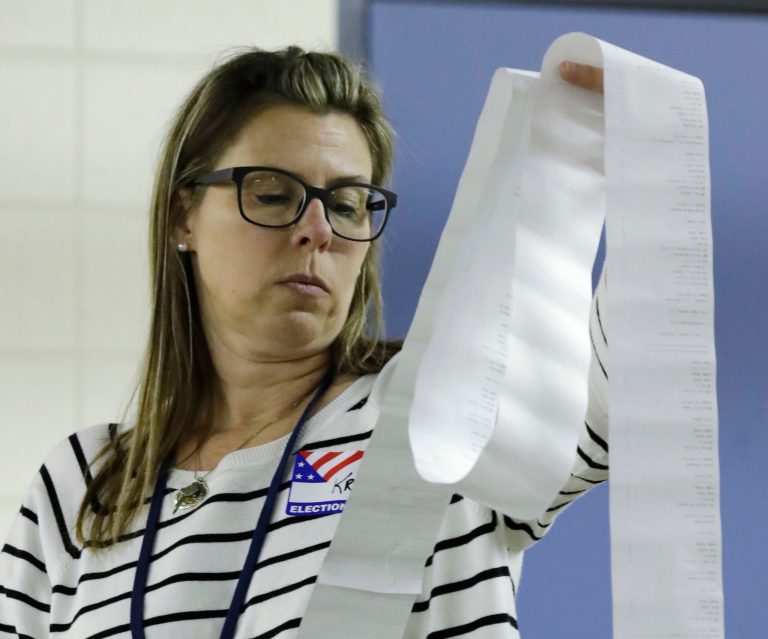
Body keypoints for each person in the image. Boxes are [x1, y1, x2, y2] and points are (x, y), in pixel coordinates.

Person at [0, 47, 608, 638]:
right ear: (183, 217)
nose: (317, 231)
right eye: (272, 194)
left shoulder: (437, 410)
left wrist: (641, 149)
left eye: (346, 205)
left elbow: (623, 390)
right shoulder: (84, 484)